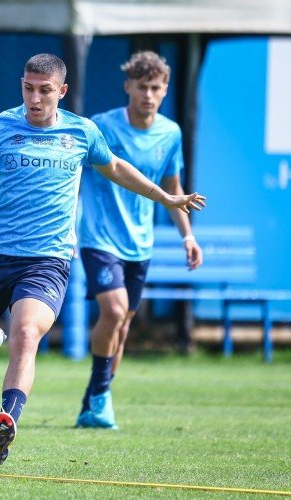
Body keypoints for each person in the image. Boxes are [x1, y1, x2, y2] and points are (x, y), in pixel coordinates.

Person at [0, 53, 205, 465]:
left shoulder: (81, 132)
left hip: (47, 261)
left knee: (27, 333)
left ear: (60, 91)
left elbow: (115, 167)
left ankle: (8, 417)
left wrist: (166, 197)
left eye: (44, 91)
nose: (35, 99)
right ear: (21, 85)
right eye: (28, 88)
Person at [75, 51, 203, 430]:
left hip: (140, 243)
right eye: (142, 87)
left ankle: (96, 399)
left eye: (156, 88)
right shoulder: (102, 127)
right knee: (113, 313)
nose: (148, 94)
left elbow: (173, 188)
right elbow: (78, 173)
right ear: (127, 86)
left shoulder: (170, 133)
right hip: (99, 237)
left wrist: (187, 236)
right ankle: (100, 399)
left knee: (123, 326)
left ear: (165, 91)